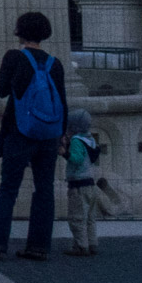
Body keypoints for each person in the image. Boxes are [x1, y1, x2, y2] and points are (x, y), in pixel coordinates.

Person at [0, 11, 68, 261]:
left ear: (19, 32)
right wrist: (61, 135)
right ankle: (38, 246)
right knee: (44, 189)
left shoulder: (14, 57)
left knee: (8, 189)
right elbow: (62, 101)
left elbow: (1, 91)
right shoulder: (55, 63)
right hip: (49, 134)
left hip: (19, 131)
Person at [63, 109, 102, 257]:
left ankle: (80, 246)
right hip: (90, 184)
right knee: (90, 217)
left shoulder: (76, 141)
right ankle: (92, 243)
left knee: (77, 217)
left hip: (78, 185)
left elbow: (77, 159)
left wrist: (65, 153)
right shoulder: (90, 140)